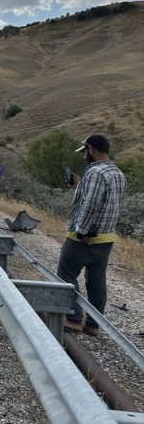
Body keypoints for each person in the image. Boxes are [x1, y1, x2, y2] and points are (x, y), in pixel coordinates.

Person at [57, 134, 126, 336]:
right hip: (106, 238)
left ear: (91, 149)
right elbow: (107, 201)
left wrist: (81, 231)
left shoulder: (95, 172)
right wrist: (79, 185)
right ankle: (94, 325)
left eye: (85, 151)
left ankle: (74, 319)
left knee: (66, 274)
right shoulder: (118, 173)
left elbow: (91, 204)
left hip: (86, 237)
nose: (85, 155)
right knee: (96, 280)